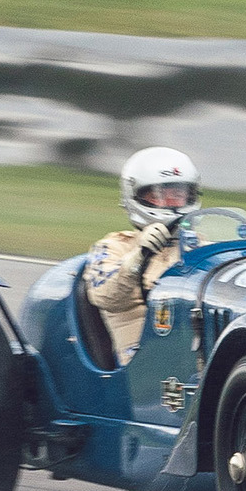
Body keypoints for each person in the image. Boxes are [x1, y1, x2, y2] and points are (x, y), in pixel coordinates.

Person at [83, 147, 199, 363]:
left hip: (199, 353)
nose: (172, 202)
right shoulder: (114, 246)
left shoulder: (201, 244)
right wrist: (139, 255)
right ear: (136, 196)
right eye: (161, 195)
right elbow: (106, 297)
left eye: (179, 194)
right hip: (142, 362)